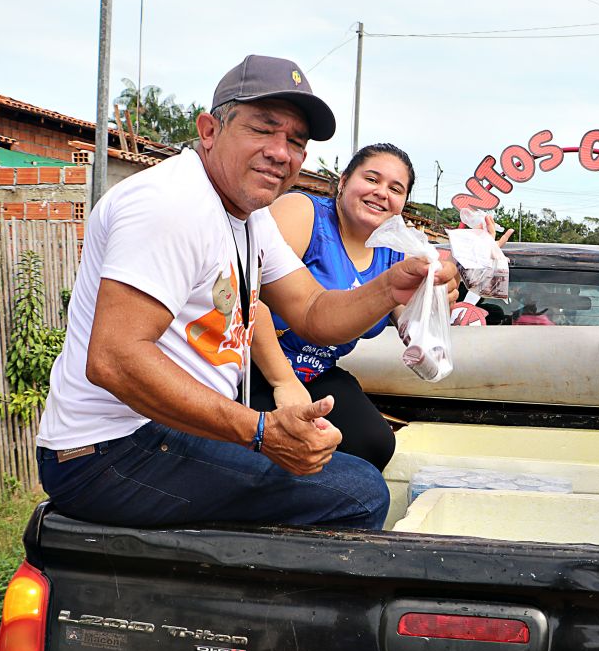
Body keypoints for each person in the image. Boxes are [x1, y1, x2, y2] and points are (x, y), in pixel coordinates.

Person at [34, 55, 456, 530]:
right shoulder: (172, 203)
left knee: (356, 455)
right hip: (108, 451)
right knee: (358, 494)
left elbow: (312, 310)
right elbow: (114, 358)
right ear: (209, 130)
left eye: (296, 141)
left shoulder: (249, 215)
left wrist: (389, 288)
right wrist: (259, 430)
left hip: (166, 430)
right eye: (262, 129)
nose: (280, 152)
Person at [248, 143, 419, 472]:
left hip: (316, 371)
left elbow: (416, 329)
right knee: (280, 449)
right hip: (253, 365)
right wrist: (283, 382)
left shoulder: (395, 252)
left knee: (373, 444)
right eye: (372, 179)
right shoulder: (304, 212)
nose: (381, 193)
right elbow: (246, 295)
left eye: (396, 189)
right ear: (343, 182)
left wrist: (462, 274)